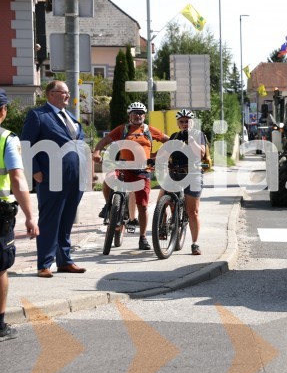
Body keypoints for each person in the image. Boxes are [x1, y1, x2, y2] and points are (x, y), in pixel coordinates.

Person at [21, 80, 87, 277]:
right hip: (51, 177)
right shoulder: (38, 115)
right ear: (51, 94)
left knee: (67, 220)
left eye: (68, 92)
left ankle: (65, 261)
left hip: (75, 177)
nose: (68, 95)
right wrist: (35, 170)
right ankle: (44, 264)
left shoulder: (70, 116)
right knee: (50, 221)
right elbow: (26, 144)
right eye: (63, 92)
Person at [91, 102, 169, 250]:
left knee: (143, 207)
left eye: (141, 113)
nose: (138, 115)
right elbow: (104, 141)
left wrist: (158, 154)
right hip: (124, 167)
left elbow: (168, 141)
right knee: (108, 179)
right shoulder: (123, 129)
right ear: (130, 116)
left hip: (142, 170)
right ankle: (109, 206)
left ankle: (142, 238)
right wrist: (96, 152)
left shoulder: (149, 130)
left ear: (144, 116)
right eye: (135, 113)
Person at [0, 90, 39, 340]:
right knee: (0, 267)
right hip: (0, 212)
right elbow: (17, 177)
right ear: (3, 111)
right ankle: (0, 325)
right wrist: (30, 215)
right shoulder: (6, 138)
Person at [157, 109, 206, 255]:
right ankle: (162, 226)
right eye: (182, 122)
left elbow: (201, 154)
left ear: (192, 123)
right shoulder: (174, 136)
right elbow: (165, 153)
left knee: (192, 212)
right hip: (175, 172)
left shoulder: (198, 135)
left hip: (193, 173)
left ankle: (195, 244)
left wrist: (190, 139)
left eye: (187, 121)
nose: (185, 124)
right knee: (161, 201)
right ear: (178, 124)